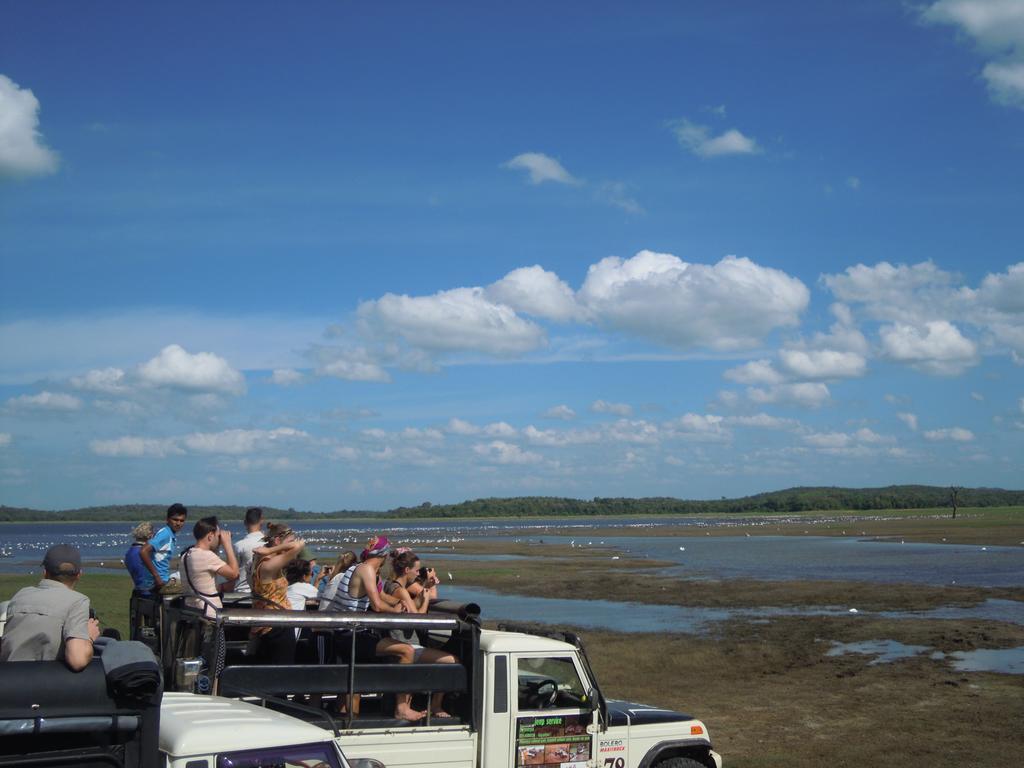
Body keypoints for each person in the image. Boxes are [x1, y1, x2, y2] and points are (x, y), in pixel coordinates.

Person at [326, 535, 424, 722]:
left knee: (358, 685)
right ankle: (402, 708)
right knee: (406, 650)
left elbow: (384, 598)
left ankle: (354, 717)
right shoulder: (367, 570)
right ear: (384, 555)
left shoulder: (359, 568)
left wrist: (404, 600)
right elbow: (378, 605)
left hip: (345, 633)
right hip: (350, 635)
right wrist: (396, 610)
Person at [1, 544, 101, 671]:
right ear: (79, 575)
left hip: (8, 679)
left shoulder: (21, 595)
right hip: (43, 684)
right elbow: (78, 660)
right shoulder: (78, 601)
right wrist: (89, 637)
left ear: (45, 572)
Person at [385, 549, 458, 718]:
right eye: (416, 570)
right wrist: (425, 598)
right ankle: (435, 705)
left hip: (398, 641)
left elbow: (411, 609)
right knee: (452, 661)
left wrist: (425, 588)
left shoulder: (389, 584)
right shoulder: (400, 590)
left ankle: (418, 704)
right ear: (406, 570)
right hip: (407, 644)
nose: (418, 573)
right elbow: (417, 619)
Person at [249, 522, 305, 664]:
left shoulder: (262, 560)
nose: (291, 545)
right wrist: (270, 550)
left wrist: (271, 550)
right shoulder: (268, 564)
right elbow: (299, 545)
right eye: (289, 541)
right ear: (278, 541)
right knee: (281, 669)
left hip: (269, 622)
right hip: (276, 625)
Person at [181, 517, 239, 618]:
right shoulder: (207, 556)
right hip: (209, 614)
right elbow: (234, 574)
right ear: (210, 536)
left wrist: (217, 544)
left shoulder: (185, 555)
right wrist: (228, 545)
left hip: (191, 611)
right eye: (217, 535)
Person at [140, 503, 187, 592]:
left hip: (161, 579)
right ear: (167, 520)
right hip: (156, 582)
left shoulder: (170, 534)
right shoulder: (165, 534)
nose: (178, 523)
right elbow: (143, 551)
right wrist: (156, 577)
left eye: (182, 521)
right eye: (175, 520)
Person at [233, 506, 265, 594]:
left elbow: (233, 574)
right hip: (264, 591)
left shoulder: (239, 545)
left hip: (242, 592)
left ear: (245, 522)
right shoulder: (269, 544)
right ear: (261, 521)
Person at [124, 522, 156, 595]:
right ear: (150, 536)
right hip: (148, 591)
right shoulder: (142, 552)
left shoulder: (129, 552)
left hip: (138, 589)